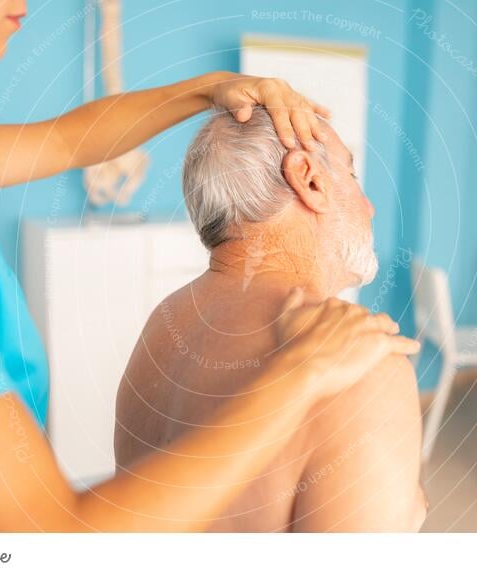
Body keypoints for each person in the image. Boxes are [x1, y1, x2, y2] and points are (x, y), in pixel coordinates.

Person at [0, 0, 419, 532]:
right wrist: (303, 374)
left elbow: (72, 140)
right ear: (311, 180)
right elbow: (50, 541)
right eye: (354, 176)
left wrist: (209, 90)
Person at [114, 107, 427, 531]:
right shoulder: (358, 365)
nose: (368, 207)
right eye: (352, 178)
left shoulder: (164, 325)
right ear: (310, 180)